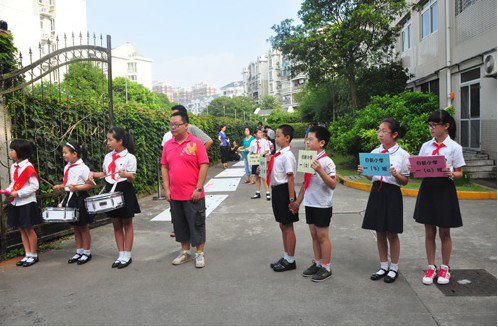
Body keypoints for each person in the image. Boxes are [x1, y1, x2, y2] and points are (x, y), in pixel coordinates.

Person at [412, 110, 465, 285]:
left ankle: (445, 267)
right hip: (428, 188)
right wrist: (415, 170)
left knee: (444, 232)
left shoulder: (454, 147)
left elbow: (460, 172)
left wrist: (451, 173)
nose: (431, 128)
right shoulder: (426, 146)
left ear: (446, 126)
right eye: (430, 125)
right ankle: (430, 266)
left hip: (444, 190)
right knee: (429, 232)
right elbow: (419, 168)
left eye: (434, 125)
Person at [357, 118, 410, 283]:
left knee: (392, 232)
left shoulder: (403, 155)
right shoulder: (374, 153)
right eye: (378, 131)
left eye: (383, 131)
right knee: (379, 231)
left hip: (392, 193)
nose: (379, 134)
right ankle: (383, 265)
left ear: (394, 134)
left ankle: (394, 267)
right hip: (377, 192)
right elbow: (371, 176)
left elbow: (405, 181)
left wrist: (395, 174)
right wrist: (363, 172)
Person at [162, 111, 210, 268]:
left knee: (197, 223)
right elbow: (164, 167)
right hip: (175, 195)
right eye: (171, 124)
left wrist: (198, 188)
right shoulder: (168, 145)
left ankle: (199, 253)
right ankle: (185, 252)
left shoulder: (196, 143)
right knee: (180, 224)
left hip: (193, 194)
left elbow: (204, 165)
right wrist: (167, 189)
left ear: (186, 125)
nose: (173, 127)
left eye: (176, 124)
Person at [289, 126, 336, 282]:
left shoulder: (327, 161)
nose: (307, 142)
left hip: (322, 204)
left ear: (321, 142)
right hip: (310, 203)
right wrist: (297, 202)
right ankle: (317, 262)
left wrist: (320, 170)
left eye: (310, 139)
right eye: (306, 139)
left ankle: (326, 266)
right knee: (314, 235)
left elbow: (333, 184)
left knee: (323, 236)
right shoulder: (309, 158)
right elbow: (305, 183)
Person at [90, 127, 140, 269]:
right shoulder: (108, 156)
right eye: (108, 139)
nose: (108, 142)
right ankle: (121, 254)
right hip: (110, 191)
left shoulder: (130, 157)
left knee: (127, 223)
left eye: (110, 139)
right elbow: (105, 174)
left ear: (120, 141)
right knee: (116, 224)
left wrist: (127, 175)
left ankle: (128, 255)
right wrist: (93, 174)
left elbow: (131, 178)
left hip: (124, 190)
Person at [52, 140, 95, 265]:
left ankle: (87, 252)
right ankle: (79, 251)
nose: (63, 155)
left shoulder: (83, 168)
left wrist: (77, 188)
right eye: (63, 153)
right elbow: (68, 184)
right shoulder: (67, 167)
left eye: (65, 153)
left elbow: (90, 185)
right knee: (76, 227)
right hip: (71, 198)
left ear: (74, 154)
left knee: (83, 226)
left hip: (80, 198)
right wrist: (60, 186)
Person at [5, 139, 42, 267]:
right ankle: (27, 254)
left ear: (19, 151)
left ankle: (34, 255)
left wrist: (19, 193)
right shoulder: (13, 167)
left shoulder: (28, 167)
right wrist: (8, 190)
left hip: (26, 202)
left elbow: (34, 186)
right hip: (16, 202)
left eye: (12, 150)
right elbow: (14, 183)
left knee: (29, 229)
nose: (10, 152)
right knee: (21, 229)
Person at [268, 125, 299, 272]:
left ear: (287, 138)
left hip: (285, 192)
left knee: (288, 226)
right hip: (277, 192)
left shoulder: (287, 156)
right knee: (282, 225)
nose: (276, 138)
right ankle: (286, 256)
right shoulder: (279, 154)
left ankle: (291, 260)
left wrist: (292, 200)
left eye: (279, 135)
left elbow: (290, 178)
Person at [249, 129, 271, 200]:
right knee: (256, 177)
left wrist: (263, 153)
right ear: (255, 135)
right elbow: (250, 151)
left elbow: (267, 150)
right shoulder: (252, 142)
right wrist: (248, 157)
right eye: (259, 133)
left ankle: (267, 193)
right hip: (255, 159)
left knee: (263, 177)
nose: (261, 133)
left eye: (261, 132)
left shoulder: (264, 141)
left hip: (262, 159)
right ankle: (257, 193)